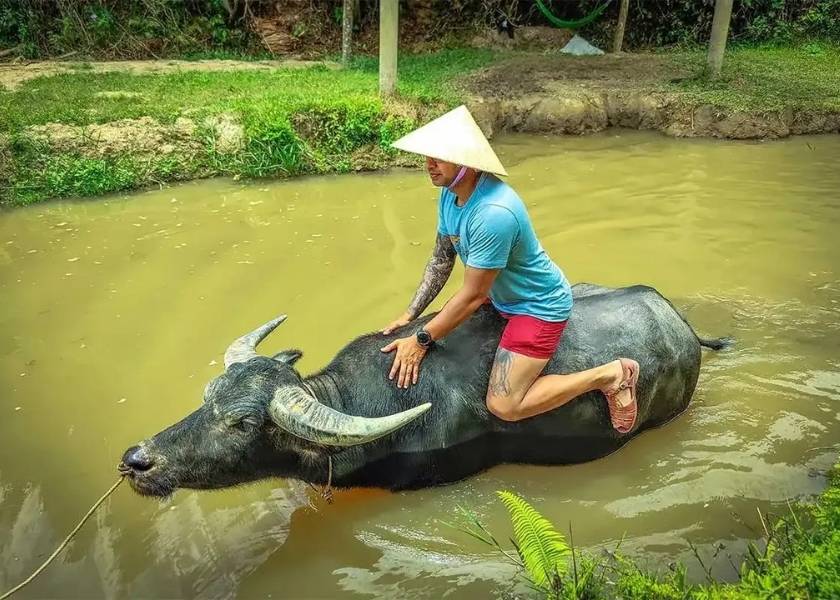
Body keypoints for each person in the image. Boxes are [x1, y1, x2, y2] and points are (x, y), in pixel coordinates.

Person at [380, 106, 639, 433]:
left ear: (467, 164)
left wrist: (420, 340)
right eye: (428, 156)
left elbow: (473, 295)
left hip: (536, 304)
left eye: (440, 157)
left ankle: (612, 375)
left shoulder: (493, 213)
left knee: (505, 405)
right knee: (445, 316)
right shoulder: (450, 196)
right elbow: (441, 259)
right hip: (499, 294)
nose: (429, 165)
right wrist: (410, 314)